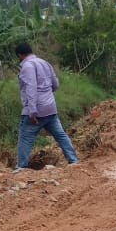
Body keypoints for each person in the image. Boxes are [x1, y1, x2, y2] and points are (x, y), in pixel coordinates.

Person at [14, 42, 78, 170]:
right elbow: (55, 85)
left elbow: (31, 88)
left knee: (25, 139)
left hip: (35, 111)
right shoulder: (45, 63)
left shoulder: (27, 66)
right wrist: (46, 93)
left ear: (20, 55)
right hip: (50, 108)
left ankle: (21, 168)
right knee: (61, 135)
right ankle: (74, 161)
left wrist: (32, 111)